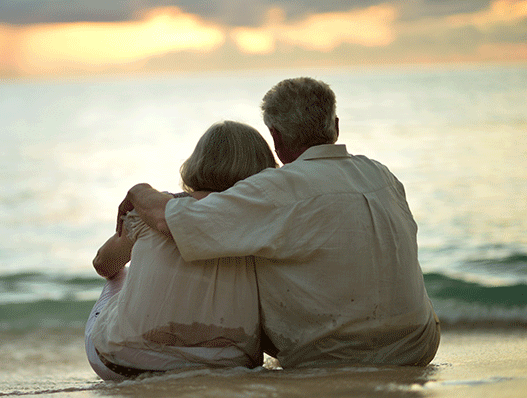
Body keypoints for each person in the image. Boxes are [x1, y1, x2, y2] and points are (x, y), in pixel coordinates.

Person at [117, 77, 440, 369]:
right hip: (418, 344)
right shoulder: (381, 174)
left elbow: (169, 220)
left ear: (275, 135)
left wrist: (138, 191)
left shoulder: (276, 189)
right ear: (336, 126)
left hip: (336, 356)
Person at [86, 120, 277, 380]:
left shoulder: (155, 211)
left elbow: (103, 264)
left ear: (197, 163)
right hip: (230, 365)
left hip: (125, 362)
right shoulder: (262, 222)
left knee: (119, 274)